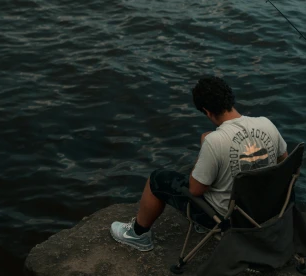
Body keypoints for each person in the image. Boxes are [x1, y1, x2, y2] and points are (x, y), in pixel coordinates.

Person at [110, 75, 288, 251]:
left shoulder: (215, 141)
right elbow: (284, 162)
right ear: (230, 99)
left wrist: (204, 146)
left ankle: (138, 235)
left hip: (229, 218)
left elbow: (195, 189)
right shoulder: (267, 124)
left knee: (158, 179)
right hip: (265, 209)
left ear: (207, 111)